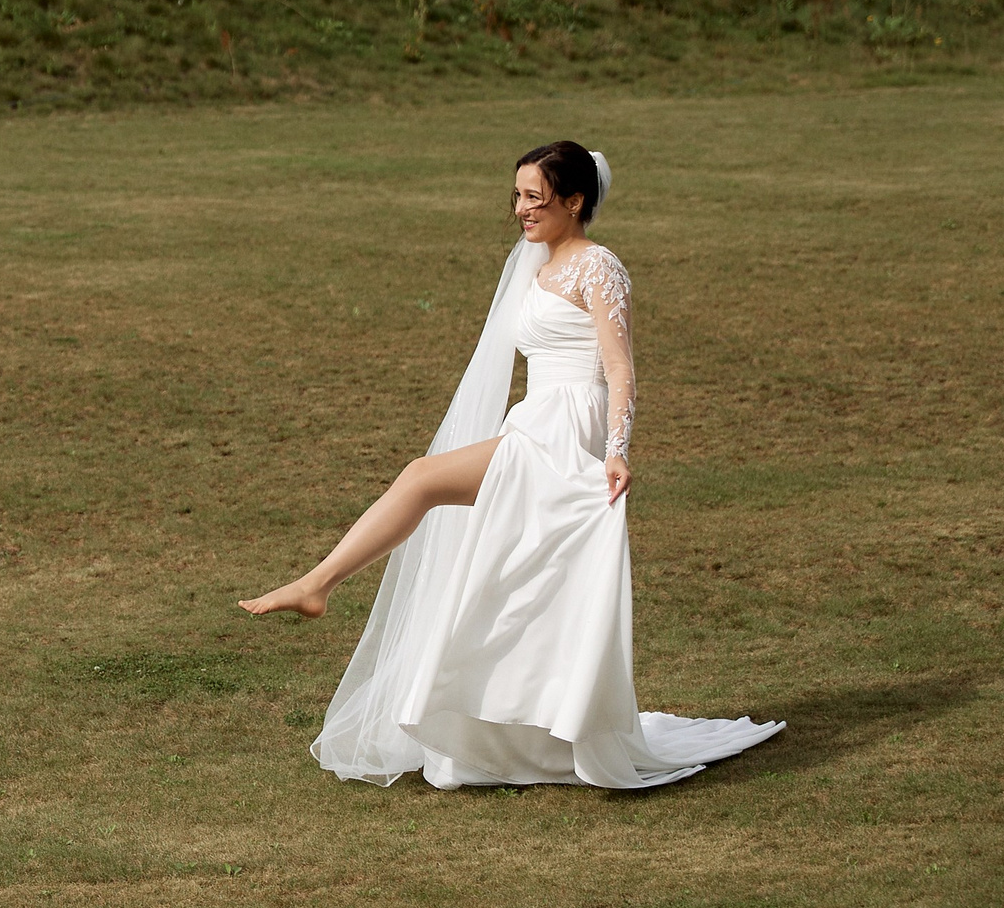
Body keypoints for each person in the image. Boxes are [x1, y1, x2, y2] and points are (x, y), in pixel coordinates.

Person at [241, 141, 782, 789]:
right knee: (506, 570)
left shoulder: (599, 266)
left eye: (535, 197)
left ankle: (318, 585)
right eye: (518, 195)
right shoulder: (537, 267)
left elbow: (619, 369)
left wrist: (616, 449)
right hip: (535, 422)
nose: (521, 209)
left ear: (574, 201)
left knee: (421, 478)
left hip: (568, 431)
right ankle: (500, 722)